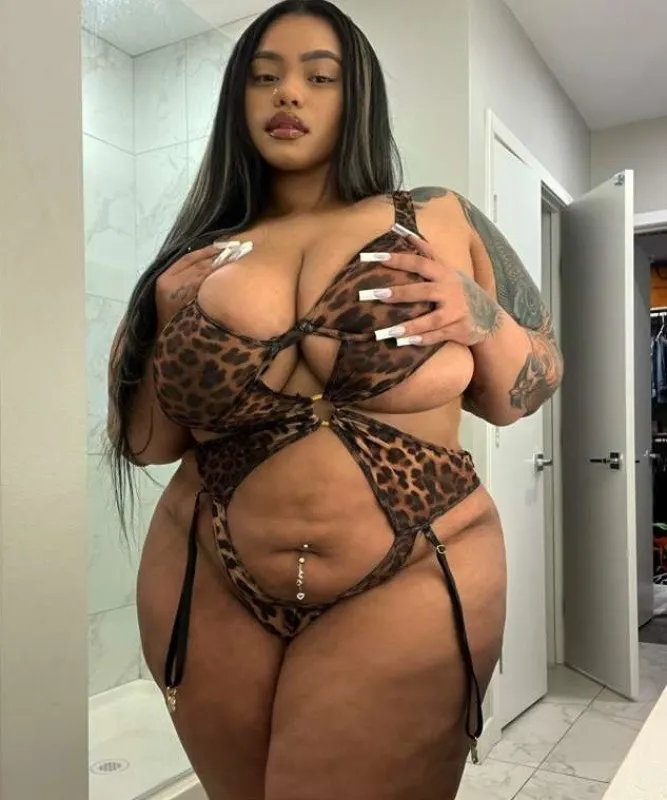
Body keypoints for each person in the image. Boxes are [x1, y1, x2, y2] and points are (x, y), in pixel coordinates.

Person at [107, 1, 563, 798]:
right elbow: (147, 445)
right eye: (263, 78)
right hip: (205, 573)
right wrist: (151, 319)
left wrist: (480, 316)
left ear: (359, 100)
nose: (288, 94)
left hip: (415, 567)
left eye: (319, 77)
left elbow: (532, 383)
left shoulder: (438, 217)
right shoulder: (202, 255)